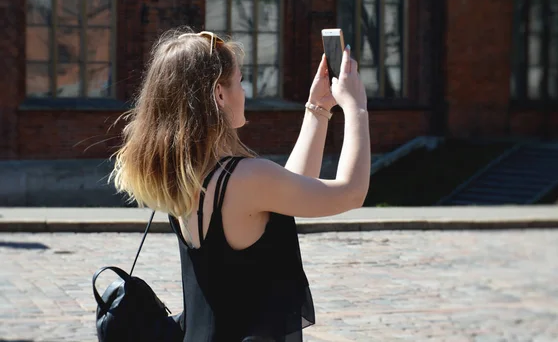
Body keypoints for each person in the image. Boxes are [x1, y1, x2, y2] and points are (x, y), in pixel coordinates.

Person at [110, 27, 371, 341]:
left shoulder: (184, 173)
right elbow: (351, 193)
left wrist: (318, 109)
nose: (244, 92)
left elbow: (291, 188)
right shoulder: (245, 177)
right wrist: (356, 108)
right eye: (240, 81)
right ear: (219, 94)